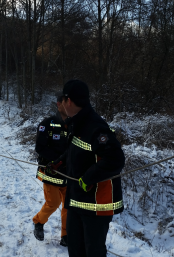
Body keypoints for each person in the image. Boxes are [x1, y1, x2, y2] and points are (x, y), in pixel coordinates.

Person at [52, 79, 125, 257]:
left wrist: (88, 178)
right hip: (77, 201)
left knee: (93, 253)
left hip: (96, 206)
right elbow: (76, 151)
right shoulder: (77, 122)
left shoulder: (95, 127)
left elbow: (115, 159)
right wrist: (60, 163)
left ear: (68, 101)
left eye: (62, 100)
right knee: (75, 250)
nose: (60, 104)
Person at [33, 95, 69, 246]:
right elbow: (39, 148)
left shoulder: (76, 125)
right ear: (59, 104)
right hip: (51, 172)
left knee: (69, 206)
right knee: (53, 203)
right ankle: (38, 222)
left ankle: (66, 235)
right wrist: (57, 161)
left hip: (69, 174)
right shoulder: (47, 124)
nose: (69, 106)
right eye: (65, 103)